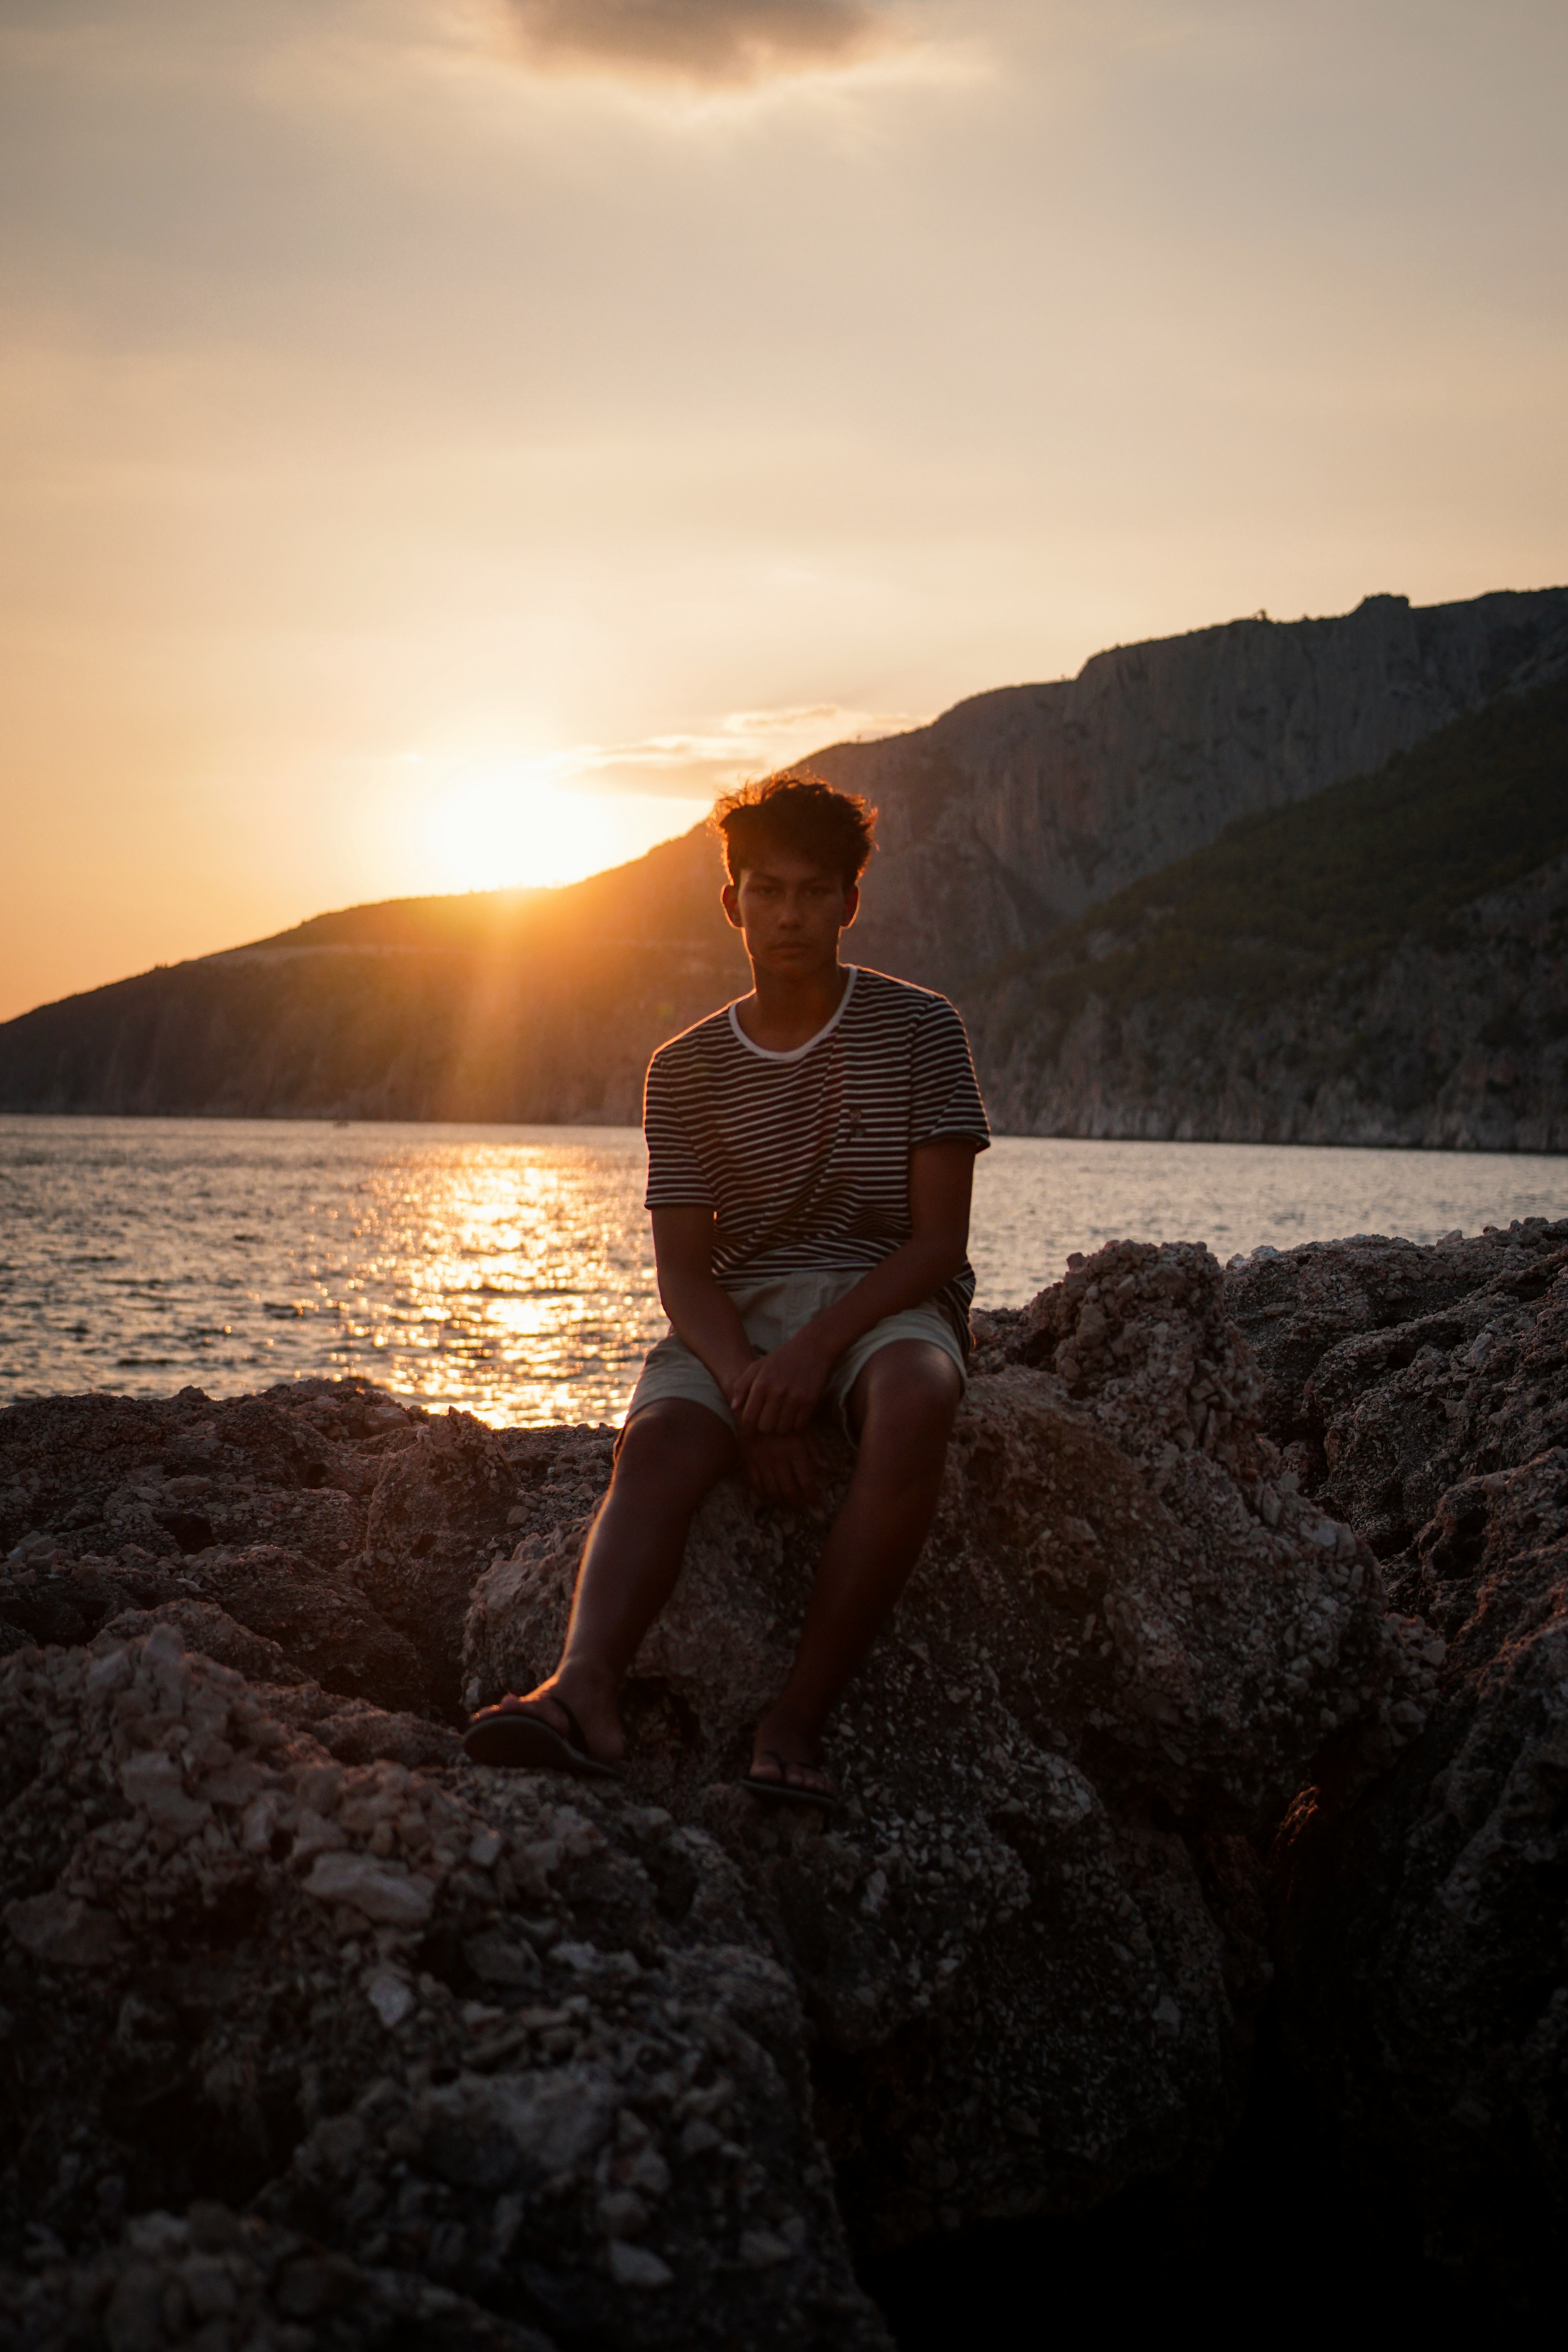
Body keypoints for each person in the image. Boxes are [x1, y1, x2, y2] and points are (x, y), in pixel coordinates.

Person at [463, 772, 991, 1808]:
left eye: (812, 891)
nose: (788, 915)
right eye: (766, 891)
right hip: (733, 1317)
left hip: (884, 1302)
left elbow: (938, 1244)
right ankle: (582, 1693)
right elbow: (683, 1271)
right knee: (657, 1442)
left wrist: (806, 1360)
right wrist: (750, 1384)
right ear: (731, 901)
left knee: (920, 1395)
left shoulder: (922, 1031)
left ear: (850, 900)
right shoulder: (686, 1066)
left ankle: (796, 1719)